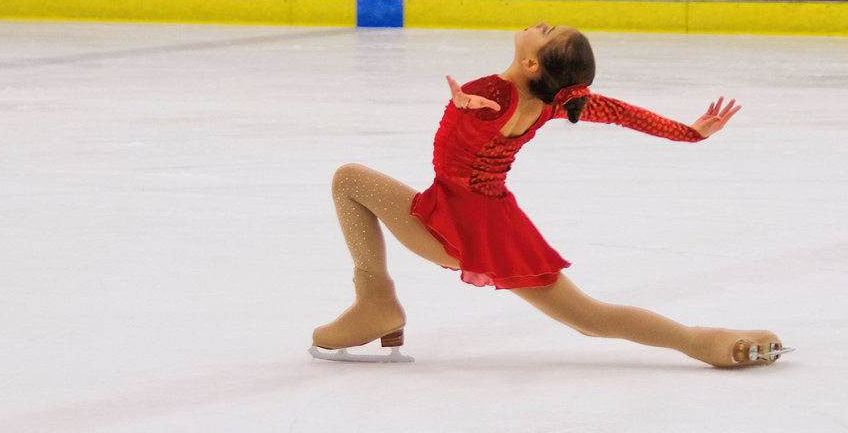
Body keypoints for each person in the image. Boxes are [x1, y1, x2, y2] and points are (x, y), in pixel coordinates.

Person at [310, 22, 787, 368]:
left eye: (546, 31)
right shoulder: (553, 100)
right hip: (493, 221)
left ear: (531, 62)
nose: (539, 24)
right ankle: (702, 341)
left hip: (455, 221)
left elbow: (493, 113)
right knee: (590, 318)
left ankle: (375, 302)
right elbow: (621, 112)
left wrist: (475, 110)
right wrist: (689, 132)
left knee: (349, 179)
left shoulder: (493, 92)